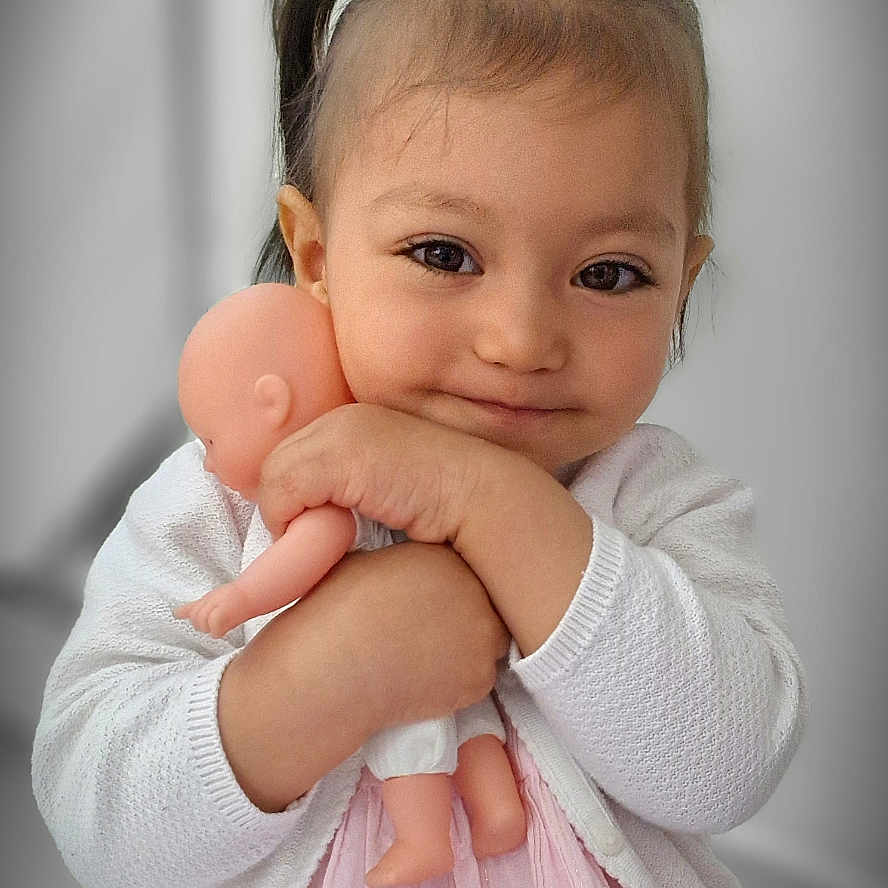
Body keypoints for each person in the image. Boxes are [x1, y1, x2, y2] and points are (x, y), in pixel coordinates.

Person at [32, 1, 809, 886]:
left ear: (679, 287)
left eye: (608, 274)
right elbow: (96, 820)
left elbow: (728, 769)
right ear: (316, 258)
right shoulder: (233, 495)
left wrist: (484, 499)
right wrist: (320, 677)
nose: (520, 341)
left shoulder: (660, 501)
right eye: (444, 254)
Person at [173, 281, 526, 885]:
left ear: (272, 403)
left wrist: (241, 598)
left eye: (210, 440)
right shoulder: (385, 458)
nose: (207, 463)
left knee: (405, 731)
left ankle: (422, 841)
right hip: (460, 651)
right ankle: (498, 807)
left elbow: (313, 550)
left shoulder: (326, 490)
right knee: (469, 716)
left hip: (402, 659)